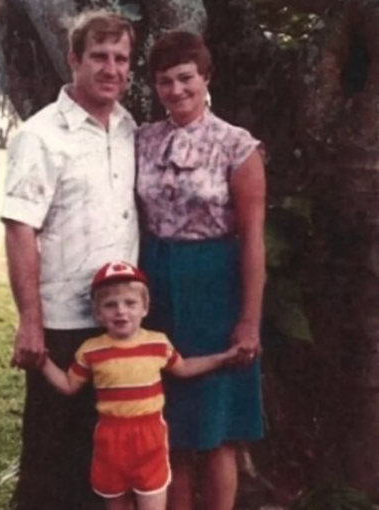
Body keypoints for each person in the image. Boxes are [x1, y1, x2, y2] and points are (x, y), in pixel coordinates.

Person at [1, 10, 139, 510]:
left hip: (120, 321)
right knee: (51, 459)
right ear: (74, 59)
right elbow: (20, 228)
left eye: (121, 58)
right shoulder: (40, 136)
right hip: (62, 324)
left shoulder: (128, 128)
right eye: (99, 56)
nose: (111, 68)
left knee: (106, 459)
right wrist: (30, 322)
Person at [136, 31, 266, 510]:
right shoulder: (143, 140)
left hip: (215, 287)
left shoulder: (237, 146)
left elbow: (252, 239)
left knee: (215, 429)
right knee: (168, 427)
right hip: (155, 286)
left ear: (206, 77)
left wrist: (248, 319)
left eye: (185, 77)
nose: (176, 90)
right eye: (165, 81)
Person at [41, 261, 247, 510]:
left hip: (150, 437)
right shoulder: (91, 350)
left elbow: (184, 368)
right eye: (110, 305)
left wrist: (222, 358)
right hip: (111, 439)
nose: (121, 311)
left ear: (145, 308)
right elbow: (68, 385)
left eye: (130, 303)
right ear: (97, 313)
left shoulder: (158, 344)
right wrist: (42, 362)